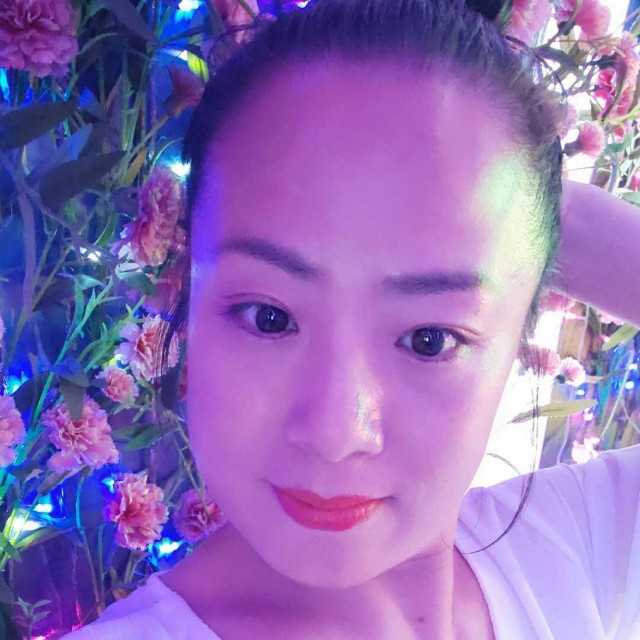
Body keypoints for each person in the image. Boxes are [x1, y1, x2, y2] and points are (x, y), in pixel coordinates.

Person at [60, 0, 640, 638]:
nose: (337, 431)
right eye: (269, 318)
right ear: (187, 296)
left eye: (429, 339)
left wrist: (531, 202)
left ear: (519, 335)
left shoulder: (573, 553)